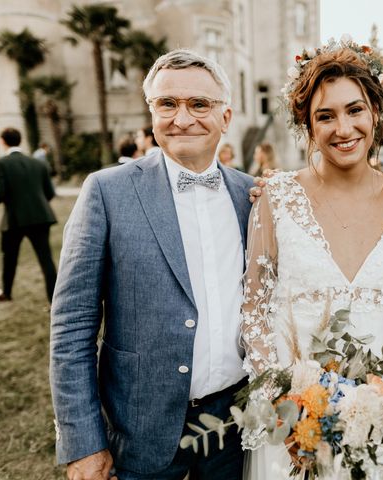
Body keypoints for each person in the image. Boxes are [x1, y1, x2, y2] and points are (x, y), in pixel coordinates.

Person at [50, 49, 253, 480]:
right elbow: (71, 327)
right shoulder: (107, 192)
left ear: (226, 116)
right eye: (167, 104)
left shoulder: (252, 196)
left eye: (199, 104)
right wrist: (83, 443)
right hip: (138, 430)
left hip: (236, 427)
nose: (182, 119)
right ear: (151, 112)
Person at [240, 37, 383, 479]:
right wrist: (285, 402)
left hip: (382, 408)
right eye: (326, 115)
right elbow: (254, 313)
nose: (343, 128)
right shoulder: (275, 199)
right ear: (307, 125)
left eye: (355, 110)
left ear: (375, 113)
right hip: (294, 411)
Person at [0, 127, 57, 303]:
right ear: (20, 140)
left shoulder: (1, 164)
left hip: (14, 218)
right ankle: (54, 298)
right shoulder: (37, 163)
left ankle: (6, 292)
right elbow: (50, 193)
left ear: (3, 141)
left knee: (9, 258)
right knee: (46, 259)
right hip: (40, 217)